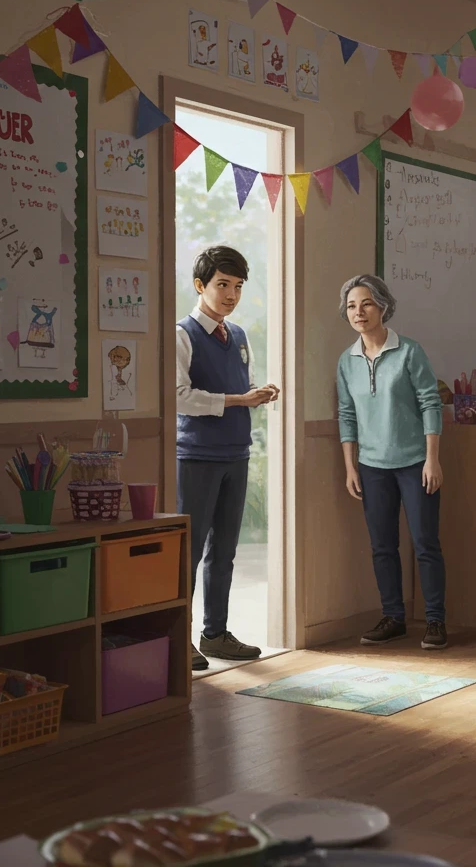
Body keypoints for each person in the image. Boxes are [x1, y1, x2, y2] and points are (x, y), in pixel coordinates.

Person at [176, 246, 278, 671]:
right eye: (222, 285)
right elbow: (179, 397)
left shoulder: (237, 335)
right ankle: (177, 639)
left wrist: (257, 394)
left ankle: (214, 633)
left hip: (237, 454)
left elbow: (241, 386)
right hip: (196, 457)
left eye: (237, 287)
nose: (231, 294)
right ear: (200, 286)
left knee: (225, 551)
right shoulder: (182, 333)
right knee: (190, 551)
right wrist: (240, 399)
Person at [336, 275, 448, 650]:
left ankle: (435, 620)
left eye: (366, 303)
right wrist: (351, 467)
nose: (359, 312)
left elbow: (431, 404)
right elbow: (346, 414)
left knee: (424, 543)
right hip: (371, 465)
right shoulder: (346, 361)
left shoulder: (409, 352)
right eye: (352, 305)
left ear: (383, 306)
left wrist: (432, 459)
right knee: (382, 545)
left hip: (415, 462)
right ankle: (394, 616)